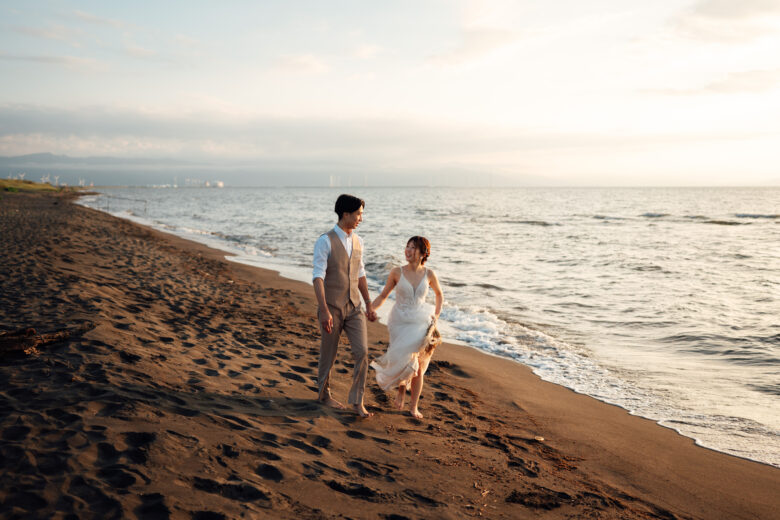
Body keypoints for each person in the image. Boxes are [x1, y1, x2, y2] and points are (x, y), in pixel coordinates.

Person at [312, 194, 376, 417]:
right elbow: (318, 278)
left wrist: (368, 304)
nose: (361, 218)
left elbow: (360, 274)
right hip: (332, 306)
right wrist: (324, 310)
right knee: (328, 353)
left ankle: (357, 401)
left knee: (363, 352)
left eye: (361, 214)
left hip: (355, 306)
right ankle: (323, 395)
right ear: (345, 214)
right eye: (358, 213)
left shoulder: (359, 241)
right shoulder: (325, 241)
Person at [370, 236, 444, 419]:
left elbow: (439, 295)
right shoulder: (396, 272)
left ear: (423, 253)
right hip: (399, 322)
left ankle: (414, 407)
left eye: (413, 248)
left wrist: (436, 315)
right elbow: (383, 296)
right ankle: (402, 387)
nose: (408, 251)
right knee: (404, 360)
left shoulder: (429, 274)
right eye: (407, 247)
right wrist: (370, 308)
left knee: (418, 366)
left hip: (421, 321)